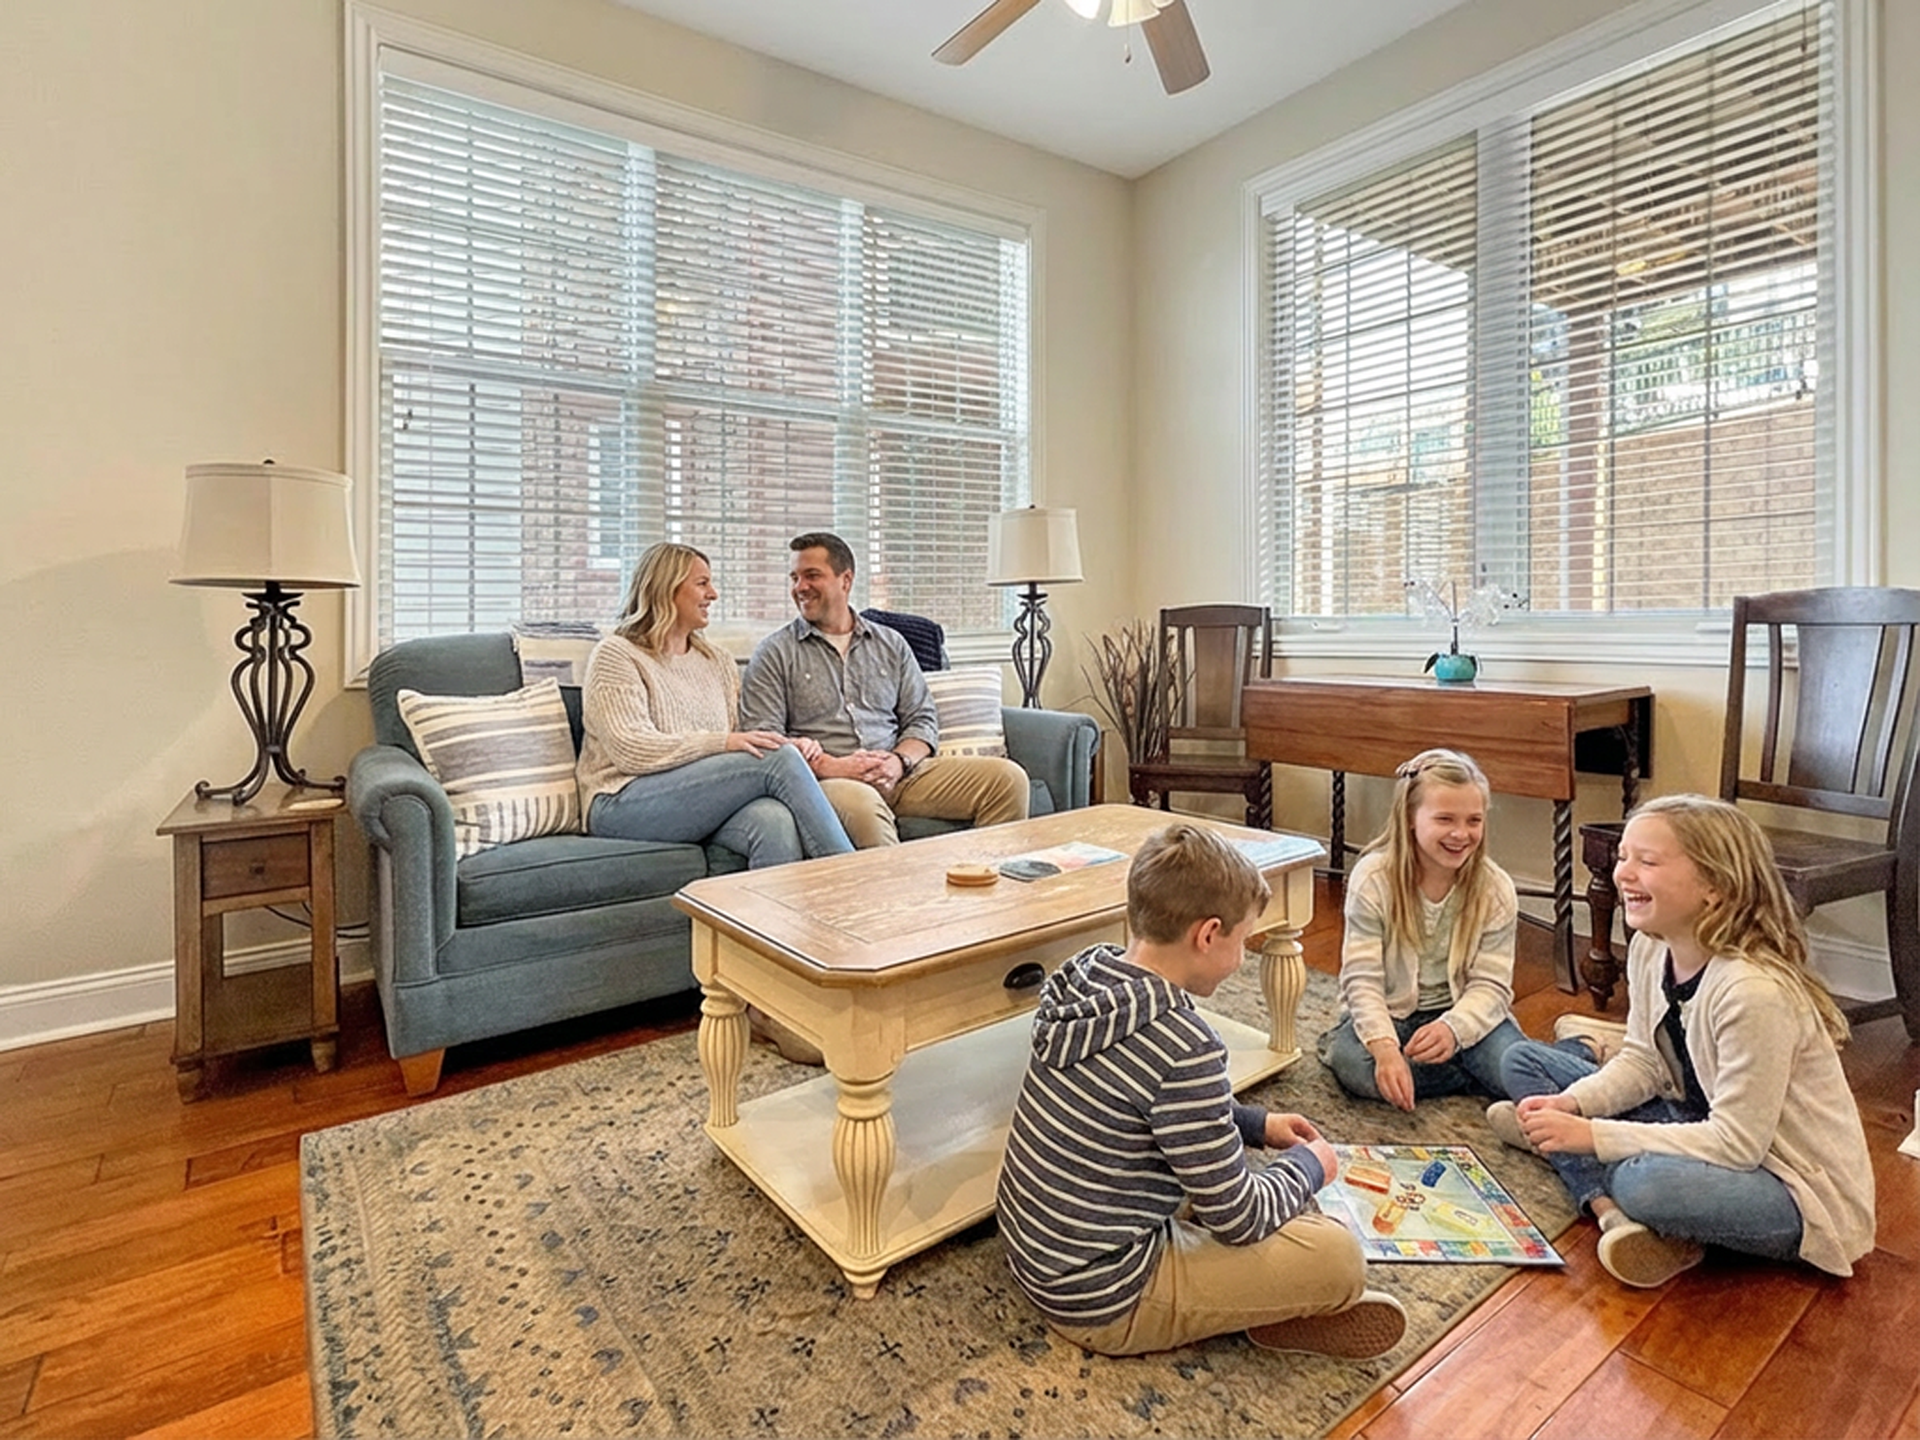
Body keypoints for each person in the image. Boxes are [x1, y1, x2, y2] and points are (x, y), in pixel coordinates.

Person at [995, 822, 1407, 1360]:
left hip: (1039, 1251)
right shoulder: (1186, 1044)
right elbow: (1239, 1218)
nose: (1241, 959)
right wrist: (1313, 1165)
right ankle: (1271, 1309)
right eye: (1243, 942)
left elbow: (1148, 1102)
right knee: (1337, 1257)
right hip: (1105, 1298)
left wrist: (1254, 1124)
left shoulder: (1086, 976)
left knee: (1233, 1180)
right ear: (1208, 934)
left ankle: (1246, 1293)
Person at [1489, 794, 1876, 1288]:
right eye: (1624, 857)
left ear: (1714, 887)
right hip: (1689, 1117)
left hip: (1786, 1185)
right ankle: (1598, 1173)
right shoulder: (1651, 949)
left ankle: (1603, 1195)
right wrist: (1573, 1103)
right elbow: (1644, 1063)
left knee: (1642, 1182)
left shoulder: (1752, 992)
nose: (1623, 873)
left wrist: (1593, 1136)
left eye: (1646, 861)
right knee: (1523, 1061)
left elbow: (1737, 1144)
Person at [738, 531, 1029, 847]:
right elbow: (763, 739)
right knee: (864, 805)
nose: (800, 587)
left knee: (1007, 779)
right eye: (794, 577)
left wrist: (898, 761)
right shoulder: (774, 652)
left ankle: (988, 887)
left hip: (900, 774)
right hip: (828, 780)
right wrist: (832, 765)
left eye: (812, 575)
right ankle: (896, 897)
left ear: (845, 580)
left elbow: (922, 718)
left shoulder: (891, 644)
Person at [576, 542, 854, 868]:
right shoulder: (617, 654)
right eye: (702, 583)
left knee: (774, 820)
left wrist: (787, 743)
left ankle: (763, 920)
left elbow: (739, 737)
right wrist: (726, 743)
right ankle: (850, 883)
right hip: (619, 802)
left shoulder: (716, 660)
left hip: (695, 796)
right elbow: (631, 749)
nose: (713, 594)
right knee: (779, 760)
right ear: (667, 587)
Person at [1319, 748, 1547, 1111]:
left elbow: (1492, 986)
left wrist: (1453, 1030)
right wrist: (1385, 1049)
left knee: (1515, 1069)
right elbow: (1361, 979)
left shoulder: (1495, 888)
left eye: (1474, 820)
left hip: (1464, 1016)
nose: (1461, 834)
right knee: (1357, 1068)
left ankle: (1540, 1057)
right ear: (1410, 817)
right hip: (1393, 1015)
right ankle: (1480, 1075)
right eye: (1445, 819)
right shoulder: (1373, 879)